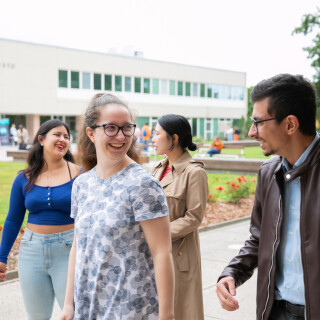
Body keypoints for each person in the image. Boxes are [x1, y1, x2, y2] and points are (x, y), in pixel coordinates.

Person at [60, 93, 174, 320]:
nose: (121, 136)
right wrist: (68, 304)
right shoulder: (82, 184)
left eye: (127, 128)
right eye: (111, 128)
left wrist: (167, 316)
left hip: (130, 308)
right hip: (88, 305)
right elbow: (77, 247)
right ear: (91, 133)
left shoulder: (143, 184)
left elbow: (162, 253)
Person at [215, 74, 320, 320]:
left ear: (290, 124)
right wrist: (232, 271)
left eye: (258, 122)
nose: (252, 132)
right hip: (275, 312)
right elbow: (259, 238)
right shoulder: (268, 173)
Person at [0, 119, 80, 319]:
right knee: (36, 316)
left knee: (75, 314)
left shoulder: (80, 175)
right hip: (31, 252)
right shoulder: (23, 178)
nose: (62, 139)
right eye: (57, 134)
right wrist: (1, 258)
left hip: (69, 251)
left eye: (66, 136)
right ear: (41, 140)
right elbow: (12, 220)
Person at [151, 114, 209, 320]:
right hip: (154, 254)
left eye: (157, 134)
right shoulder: (157, 169)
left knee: (181, 311)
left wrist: (157, 235)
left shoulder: (194, 173)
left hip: (179, 256)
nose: (153, 138)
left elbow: (194, 217)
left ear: (174, 139)